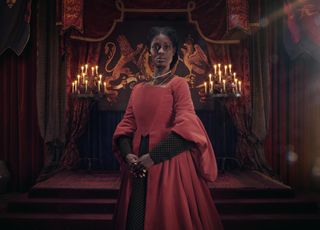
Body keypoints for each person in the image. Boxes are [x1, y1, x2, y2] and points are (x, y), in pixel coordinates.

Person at [112, 26, 223, 230]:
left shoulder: (178, 84)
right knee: (135, 219)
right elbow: (126, 126)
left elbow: (188, 125)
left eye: (166, 47)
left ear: (173, 52)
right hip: (137, 166)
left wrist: (153, 157)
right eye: (156, 47)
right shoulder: (137, 89)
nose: (161, 52)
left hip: (169, 163)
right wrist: (128, 155)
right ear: (149, 52)